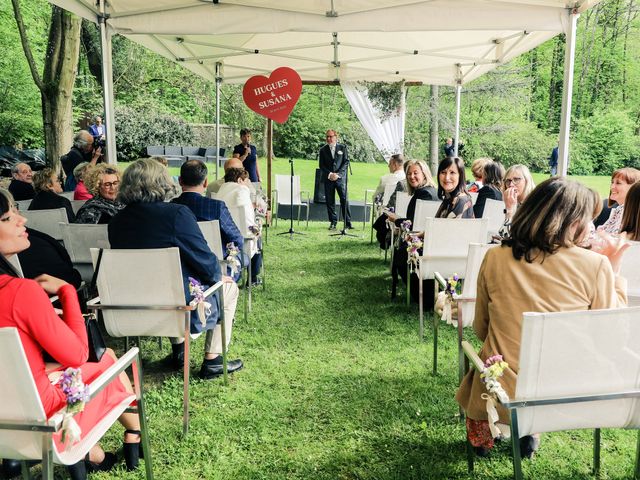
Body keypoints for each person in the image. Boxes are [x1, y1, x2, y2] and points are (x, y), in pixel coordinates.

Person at [456, 177, 628, 458]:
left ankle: (481, 431)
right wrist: (614, 273)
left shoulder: (495, 258)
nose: (591, 227)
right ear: (568, 221)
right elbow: (610, 336)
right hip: (569, 387)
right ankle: (531, 430)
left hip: (504, 391)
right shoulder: (596, 265)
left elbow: (480, 327)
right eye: (587, 219)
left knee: (489, 358)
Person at [0, 188, 142, 478]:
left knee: (97, 363)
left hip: (8, 410)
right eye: (7, 217)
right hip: (39, 419)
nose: (21, 219)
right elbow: (77, 355)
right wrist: (66, 291)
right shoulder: (20, 292)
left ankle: (95, 454)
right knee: (109, 364)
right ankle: (132, 436)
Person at [108, 159, 242, 380]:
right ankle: (213, 359)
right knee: (228, 289)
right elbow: (204, 260)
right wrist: (220, 276)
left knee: (167, 281)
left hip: (131, 306)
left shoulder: (117, 222)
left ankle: (180, 350)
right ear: (162, 182)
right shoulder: (176, 214)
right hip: (177, 309)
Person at [172, 160, 245, 281]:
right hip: (216, 264)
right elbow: (236, 238)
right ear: (206, 182)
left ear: (180, 181)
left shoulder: (171, 207)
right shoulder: (217, 207)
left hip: (181, 266)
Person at [384, 159, 438, 303]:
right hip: (432, 240)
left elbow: (412, 224)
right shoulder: (434, 191)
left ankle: (423, 297)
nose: (411, 176)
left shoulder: (422, 194)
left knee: (400, 256)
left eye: (416, 173)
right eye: (409, 173)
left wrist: (395, 219)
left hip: (420, 241)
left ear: (424, 174)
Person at [216, 168, 263, 285]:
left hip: (218, 242)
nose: (247, 183)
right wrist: (257, 231)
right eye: (246, 181)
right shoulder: (241, 192)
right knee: (258, 239)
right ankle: (253, 278)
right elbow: (248, 223)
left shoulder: (218, 194)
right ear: (239, 180)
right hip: (241, 244)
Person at [319, 129, 352, 230]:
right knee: (330, 201)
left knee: (344, 199)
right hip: (329, 179)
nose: (329, 139)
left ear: (336, 137)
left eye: (331, 136)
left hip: (340, 179)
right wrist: (330, 174)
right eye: (327, 137)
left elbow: (346, 162)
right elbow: (321, 165)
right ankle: (333, 222)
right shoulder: (323, 150)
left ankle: (347, 222)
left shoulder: (343, 147)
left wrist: (338, 174)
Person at [597, 167, 640, 235]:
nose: (612, 187)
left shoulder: (631, 213)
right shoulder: (619, 209)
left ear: (633, 188)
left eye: (618, 183)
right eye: (612, 182)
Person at [498, 164, 535, 239]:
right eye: (508, 181)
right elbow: (504, 235)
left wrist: (510, 210)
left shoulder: (533, 205)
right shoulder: (516, 203)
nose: (511, 184)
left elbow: (510, 237)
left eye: (516, 179)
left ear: (527, 181)